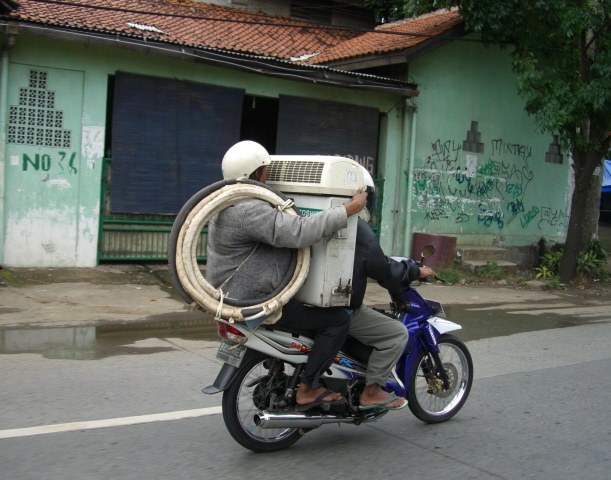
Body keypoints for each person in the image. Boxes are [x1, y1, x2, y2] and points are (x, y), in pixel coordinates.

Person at [206, 140, 368, 411]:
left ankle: (283, 372)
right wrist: (349, 210)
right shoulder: (249, 209)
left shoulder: (226, 203)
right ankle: (309, 387)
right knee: (337, 321)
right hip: (255, 300)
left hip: (233, 295)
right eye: (265, 171)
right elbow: (299, 231)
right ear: (257, 173)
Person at [347, 175, 435, 411]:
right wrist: (416, 271)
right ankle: (371, 392)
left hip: (304, 304)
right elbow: (383, 270)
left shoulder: (315, 218)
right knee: (396, 333)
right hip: (340, 309)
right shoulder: (357, 228)